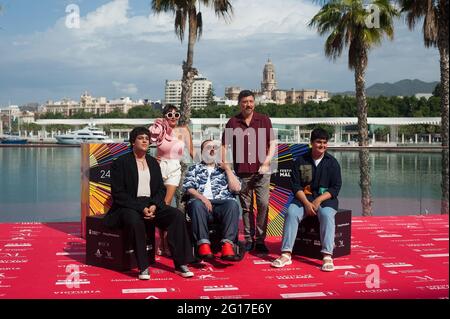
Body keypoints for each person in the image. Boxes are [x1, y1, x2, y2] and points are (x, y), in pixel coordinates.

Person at [103, 126, 195, 279]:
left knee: (176, 215)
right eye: (141, 138)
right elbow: (118, 194)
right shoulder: (120, 162)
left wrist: (154, 205)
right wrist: (141, 208)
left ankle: (180, 264)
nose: (145, 140)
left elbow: (160, 189)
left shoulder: (153, 162)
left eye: (147, 138)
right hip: (128, 205)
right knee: (134, 220)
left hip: (151, 203)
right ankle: (143, 266)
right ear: (133, 142)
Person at [271, 128, 342, 272]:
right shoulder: (301, 161)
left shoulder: (332, 162)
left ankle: (327, 256)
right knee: (291, 212)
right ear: (311, 143)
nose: (322, 145)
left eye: (324, 142)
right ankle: (286, 254)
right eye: (318, 142)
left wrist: (318, 201)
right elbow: (295, 185)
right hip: (304, 199)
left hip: (325, 200)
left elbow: (335, 188)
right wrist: (307, 203)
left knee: (327, 215)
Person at [221, 90, 276, 253]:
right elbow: (224, 145)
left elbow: (272, 143)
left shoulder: (264, 120)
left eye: (251, 101)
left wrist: (266, 162)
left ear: (254, 103)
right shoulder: (233, 122)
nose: (248, 104)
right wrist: (226, 165)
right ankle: (249, 239)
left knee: (263, 204)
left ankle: (260, 240)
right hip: (242, 171)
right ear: (240, 103)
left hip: (262, 171)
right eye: (244, 102)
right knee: (246, 208)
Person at [183, 139, 241, 260]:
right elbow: (188, 188)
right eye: (209, 147)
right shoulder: (194, 168)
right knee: (196, 204)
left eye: (215, 147)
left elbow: (236, 189)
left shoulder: (224, 169)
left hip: (222, 204)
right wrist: (203, 198)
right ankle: (203, 244)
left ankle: (227, 245)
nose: (213, 149)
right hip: (201, 203)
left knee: (233, 204)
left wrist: (228, 169)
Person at [149, 105, 194, 257]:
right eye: (170, 114)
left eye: (176, 114)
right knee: (160, 204)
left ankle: (166, 241)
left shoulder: (184, 131)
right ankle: (161, 241)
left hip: (175, 167)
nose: (174, 116)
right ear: (164, 116)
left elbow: (192, 153)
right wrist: (150, 159)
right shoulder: (159, 129)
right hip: (159, 167)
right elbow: (146, 144)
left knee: (166, 204)